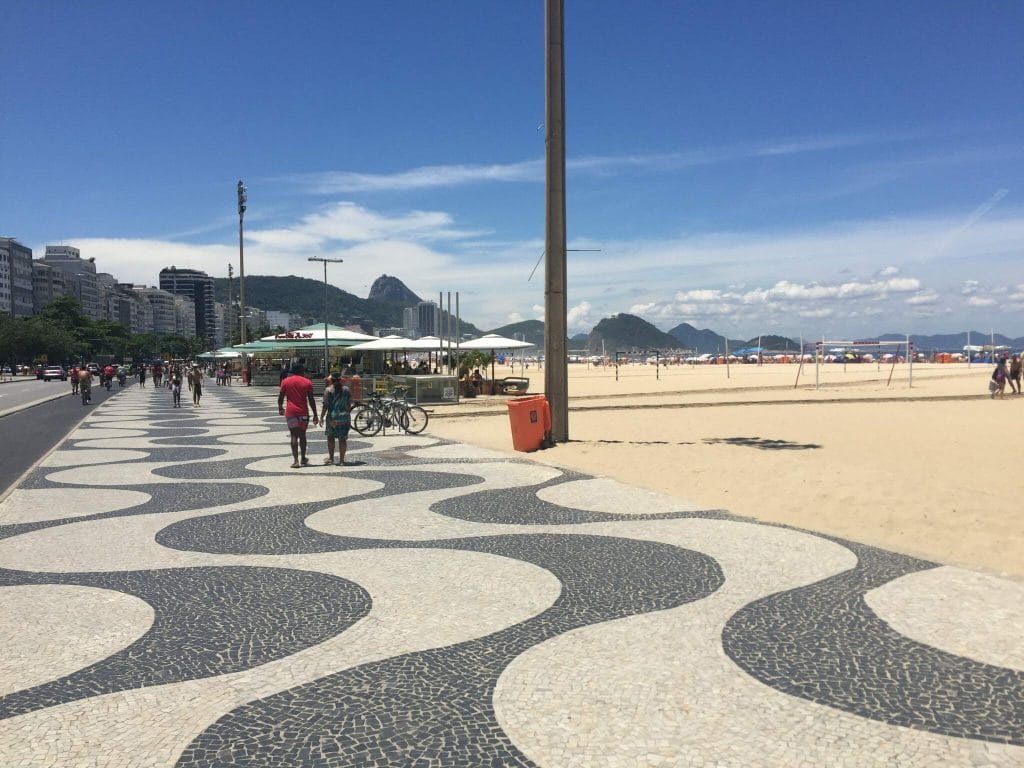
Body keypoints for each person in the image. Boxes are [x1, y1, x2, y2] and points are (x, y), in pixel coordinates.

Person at [278, 362, 319, 468]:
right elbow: (311, 399)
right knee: (302, 435)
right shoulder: (307, 382)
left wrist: (280, 407)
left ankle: (296, 461)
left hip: (291, 413)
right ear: (301, 371)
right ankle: (303, 458)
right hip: (303, 413)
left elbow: (281, 397)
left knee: (293, 436)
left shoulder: (285, 382)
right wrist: (315, 414)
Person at [320, 372, 352, 466]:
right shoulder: (346, 389)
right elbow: (350, 402)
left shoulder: (328, 390)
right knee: (342, 439)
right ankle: (342, 460)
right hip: (344, 417)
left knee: (330, 437)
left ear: (332, 380)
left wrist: (321, 417)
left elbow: (325, 405)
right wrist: (347, 411)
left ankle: (331, 458)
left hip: (332, 418)